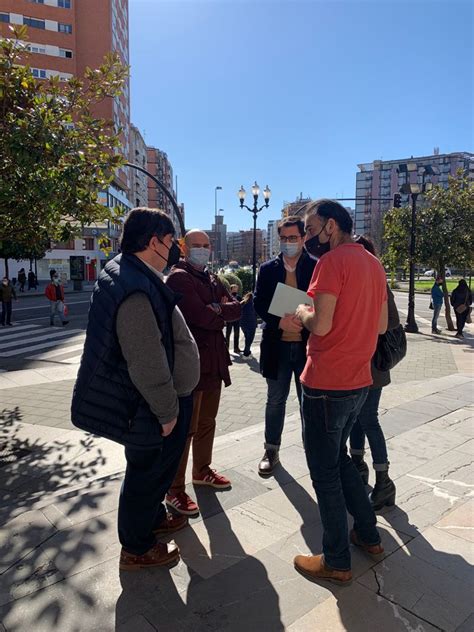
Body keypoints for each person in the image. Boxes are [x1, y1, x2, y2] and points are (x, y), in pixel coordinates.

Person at [71, 207, 200, 570]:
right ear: (153, 241)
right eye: (171, 241)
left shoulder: (131, 273)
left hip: (148, 402)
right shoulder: (134, 287)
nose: (174, 249)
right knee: (147, 473)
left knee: (150, 472)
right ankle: (137, 547)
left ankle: (150, 520)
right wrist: (167, 410)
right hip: (150, 406)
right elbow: (145, 357)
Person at [293, 199, 388, 586]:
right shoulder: (373, 263)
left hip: (325, 384)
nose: (308, 238)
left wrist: (301, 311)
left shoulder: (330, 264)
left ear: (331, 226)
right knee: (342, 461)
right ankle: (368, 535)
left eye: (311, 230)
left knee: (325, 473)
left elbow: (321, 325)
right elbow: (381, 327)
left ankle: (336, 560)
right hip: (359, 382)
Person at [165, 229, 241, 516]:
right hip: (190, 365)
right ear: (183, 247)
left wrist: (219, 309)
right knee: (186, 430)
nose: (202, 249)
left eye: (206, 245)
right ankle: (174, 489)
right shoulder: (179, 277)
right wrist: (218, 310)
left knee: (207, 421)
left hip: (213, 363)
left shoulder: (210, 277)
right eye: (196, 245)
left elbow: (236, 309)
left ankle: (202, 470)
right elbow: (201, 316)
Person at [253, 216, 316, 477]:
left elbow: (323, 301)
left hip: (307, 347)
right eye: (284, 239)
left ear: (303, 238)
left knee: (308, 403)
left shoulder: (316, 266)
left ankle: (313, 451)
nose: (288, 243)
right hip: (277, 346)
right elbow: (259, 302)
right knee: (275, 400)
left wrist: (304, 321)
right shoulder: (268, 269)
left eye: (293, 238)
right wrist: (280, 322)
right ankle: (271, 450)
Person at [349, 236, 399, 510]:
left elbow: (390, 321)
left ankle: (384, 481)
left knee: (368, 418)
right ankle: (358, 466)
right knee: (355, 420)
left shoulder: (378, 281)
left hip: (373, 364)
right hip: (355, 363)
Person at [225, 284, 242, 353]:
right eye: (235, 288)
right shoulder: (228, 296)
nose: (236, 289)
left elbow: (241, 306)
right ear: (231, 289)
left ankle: (236, 348)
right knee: (228, 333)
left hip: (237, 318)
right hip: (229, 318)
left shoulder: (239, 297)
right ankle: (226, 348)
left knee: (237, 333)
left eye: (237, 288)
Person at [240, 292, 258, 357]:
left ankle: (247, 350)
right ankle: (246, 352)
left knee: (247, 338)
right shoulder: (254, 304)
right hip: (251, 323)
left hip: (243, 323)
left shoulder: (242, 303)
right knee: (250, 339)